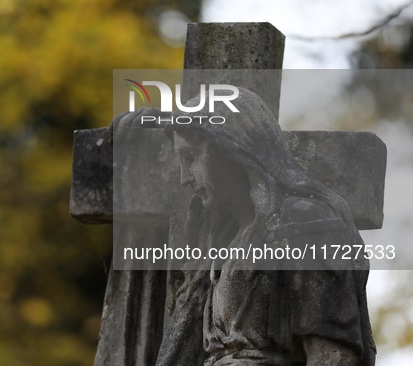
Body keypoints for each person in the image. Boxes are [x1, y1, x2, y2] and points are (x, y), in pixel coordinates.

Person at [151, 87, 376, 366]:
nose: (185, 178)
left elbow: (334, 357)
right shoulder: (221, 242)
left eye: (191, 157)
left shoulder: (303, 222)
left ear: (232, 149)